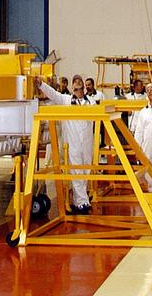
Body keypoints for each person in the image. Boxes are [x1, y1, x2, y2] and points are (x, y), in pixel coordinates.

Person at [37, 74, 95, 212]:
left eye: (80, 81)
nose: (78, 84)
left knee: (86, 170)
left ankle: (79, 199)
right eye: (75, 83)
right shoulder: (66, 100)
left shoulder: (91, 102)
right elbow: (53, 94)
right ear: (72, 87)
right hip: (73, 143)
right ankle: (82, 202)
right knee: (76, 170)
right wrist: (41, 84)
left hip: (87, 142)